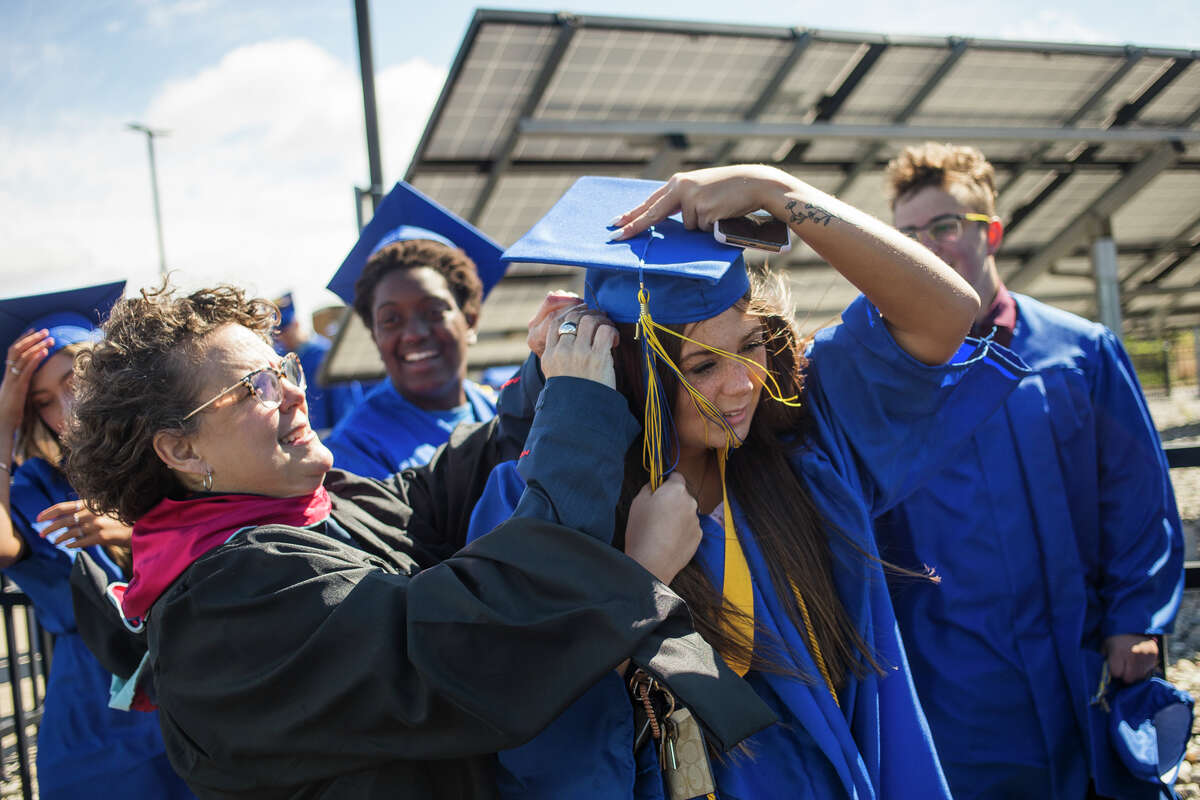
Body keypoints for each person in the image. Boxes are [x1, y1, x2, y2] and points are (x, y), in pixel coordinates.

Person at [62, 283, 775, 799]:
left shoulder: (315, 507)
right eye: (254, 388)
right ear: (181, 452)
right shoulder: (225, 605)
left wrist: (546, 379)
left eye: (284, 369)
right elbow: (474, 639)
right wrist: (583, 417)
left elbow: (433, 495)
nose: (293, 393)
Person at [466, 168, 1030, 799]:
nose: (742, 386)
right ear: (629, 368)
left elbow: (949, 310)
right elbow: (532, 722)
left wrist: (776, 191)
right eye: (703, 365)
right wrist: (639, 575)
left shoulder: (803, 450)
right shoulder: (539, 503)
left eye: (752, 345)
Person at [875, 142, 1185, 799]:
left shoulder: (1080, 354)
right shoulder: (883, 380)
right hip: (959, 679)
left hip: (1089, 657)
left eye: (945, 227)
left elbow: (1137, 496)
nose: (926, 247)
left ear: (992, 232)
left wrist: (1137, 615)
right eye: (907, 235)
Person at [0, 282, 193, 799]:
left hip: (194, 687)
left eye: (75, 381)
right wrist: (3, 421)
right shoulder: (36, 487)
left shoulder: (173, 456)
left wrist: (135, 532)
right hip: (95, 718)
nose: (66, 408)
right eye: (42, 401)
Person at [322, 181, 509, 477]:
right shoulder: (356, 451)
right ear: (374, 336)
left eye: (433, 312)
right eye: (391, 320)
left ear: (470, 320)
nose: (413, 334)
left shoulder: (503, 410)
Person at [271, 291, 365, 432]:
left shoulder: (326, 355)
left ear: (296, 324)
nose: (282, 339)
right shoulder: (284, 362)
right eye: (277, 335)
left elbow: (346, 408)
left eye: (285, 332)